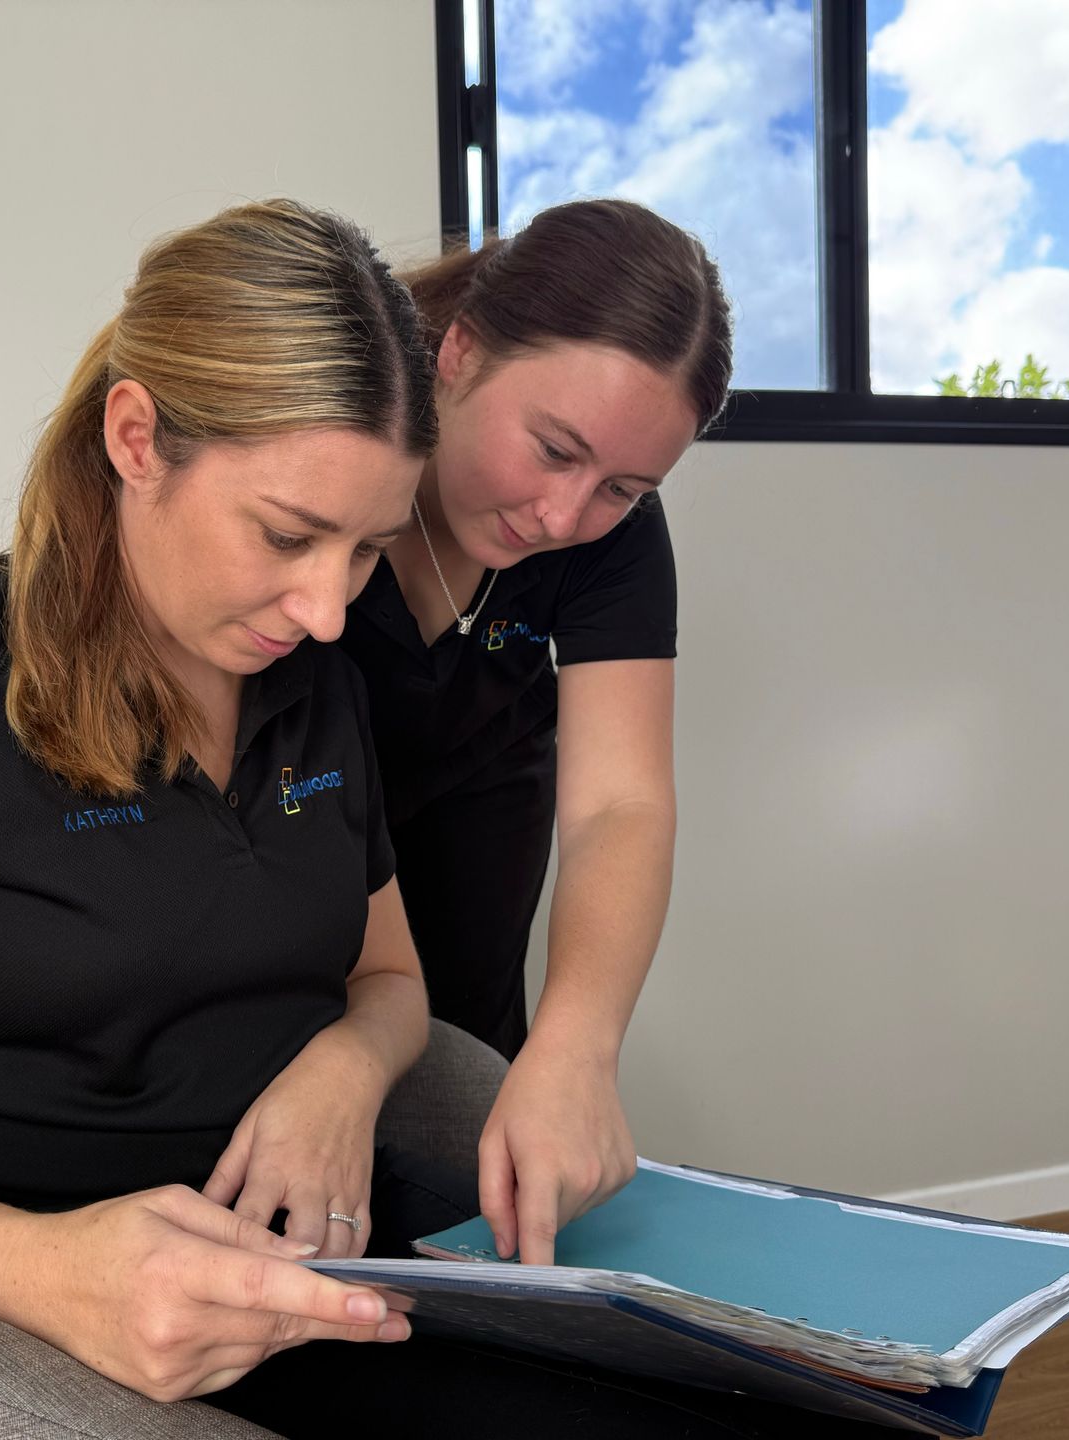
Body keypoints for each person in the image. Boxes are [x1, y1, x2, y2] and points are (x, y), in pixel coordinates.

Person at [0, 197, 844, 1438]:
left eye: (365, 551)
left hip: (333, 1296)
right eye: (290, 536)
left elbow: (393, 974)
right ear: (137, 438)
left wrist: (343, 1067)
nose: (336, 608)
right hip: (32, 1342)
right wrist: (47, 1269)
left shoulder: (307, 680)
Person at [339, 199, 735, 1268]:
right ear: (457, 352)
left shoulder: (609, 541)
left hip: (477, 827)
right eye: (553, 451)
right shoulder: (329, 461)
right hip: (293, 842)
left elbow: (620, 803)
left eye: (621, 487)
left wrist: (577, 1046)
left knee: (469, 1126)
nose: (563, 519)